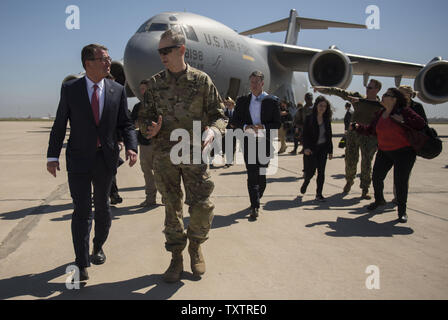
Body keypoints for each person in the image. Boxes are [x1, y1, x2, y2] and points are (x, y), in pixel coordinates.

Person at [138, 29, 226, 283]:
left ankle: (196, 246)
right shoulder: (154, 84)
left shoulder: (201, 81)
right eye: (160, 52)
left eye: (167, 51)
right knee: (171, 208)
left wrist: (213, 129)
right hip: (165, 156)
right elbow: (144, 118)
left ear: (181, 50)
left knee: (202, 205)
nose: (162, 56)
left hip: (195, 155)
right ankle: (176, 255)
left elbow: (220, 114)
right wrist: (148, 129)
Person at [47, 44, 138, 281]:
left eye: (108, 58)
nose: (109, 63)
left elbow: (126, 124)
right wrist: (52, 156)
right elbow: (59, 124)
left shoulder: (117, 90)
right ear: (88, 63)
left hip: (105, 159)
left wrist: (131, 146)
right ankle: (81, 260)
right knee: (82, 210)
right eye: (104, 59)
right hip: (78, 158)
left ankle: (98, 246)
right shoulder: (70, 89)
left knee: (103, 209)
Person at [351, 87, 426, 223]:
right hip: (385, 151)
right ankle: (379, 200)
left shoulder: (404, 111)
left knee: (400, 182)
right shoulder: (381, 113)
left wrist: (403, 120)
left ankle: (402, 211)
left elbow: (421, 123)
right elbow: (371, 130)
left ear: (394, 99)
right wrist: (357, 127)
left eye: (386, 94)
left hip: (404, 153)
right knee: (377, 177)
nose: (383, 96)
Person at [314, 79, 383, 199]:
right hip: (354, 133)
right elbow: (340, 92)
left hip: (369, 136)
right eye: (367, 86)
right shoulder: (357, 98)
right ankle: (349, 181)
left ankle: (365, 188)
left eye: (370, 88)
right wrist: (323, 89)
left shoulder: (381, 105)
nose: (367, 89)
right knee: (350, 159)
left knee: (366, 162)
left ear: (377, 90)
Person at [233, 70, 281, 220]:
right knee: (251, 174)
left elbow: (278, 123)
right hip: (249, 142)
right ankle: (255, 206)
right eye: (252, 82)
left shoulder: (272, 101)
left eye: (257, 82)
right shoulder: (242, 101)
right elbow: (235, 121)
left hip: (265, 142)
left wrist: (264, 127)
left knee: (261, 174)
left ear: (262, 83)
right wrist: (246, 126)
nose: (253, 85)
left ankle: (257, 196)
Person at [131, 79, 159, 207]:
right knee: (147, 172)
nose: (142, 91)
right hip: (145, 144)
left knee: (162, 172)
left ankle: (166, 197)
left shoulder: (159, 105)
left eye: (145, 89)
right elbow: (131, 124)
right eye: (141, 89)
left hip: (159, 144)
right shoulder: (138, 107)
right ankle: (150, 198)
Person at [300, 96, 333, 201]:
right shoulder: (310, 118)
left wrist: (330, 151)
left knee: (321, 172)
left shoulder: (327, 120)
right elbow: (304, 135)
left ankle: (319, 194)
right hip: (312, 149)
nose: (322, 108)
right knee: (310, 171)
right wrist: (305, 148)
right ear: (316, 106)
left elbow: (329, 136)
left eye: (324, 106)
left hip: (322, 149)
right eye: (320, 105)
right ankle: (306, 182)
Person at [222, 97, 237, 167]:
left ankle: (230, 161)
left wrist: (235, 125)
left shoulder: (237, 111)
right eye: (227, 105)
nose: (228, 106)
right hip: (227, 130)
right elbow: (222, 120)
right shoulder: (225, 112)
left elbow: (239, 120)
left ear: (233, 105)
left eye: (230, 104)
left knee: (232, 146)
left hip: (235, 130)